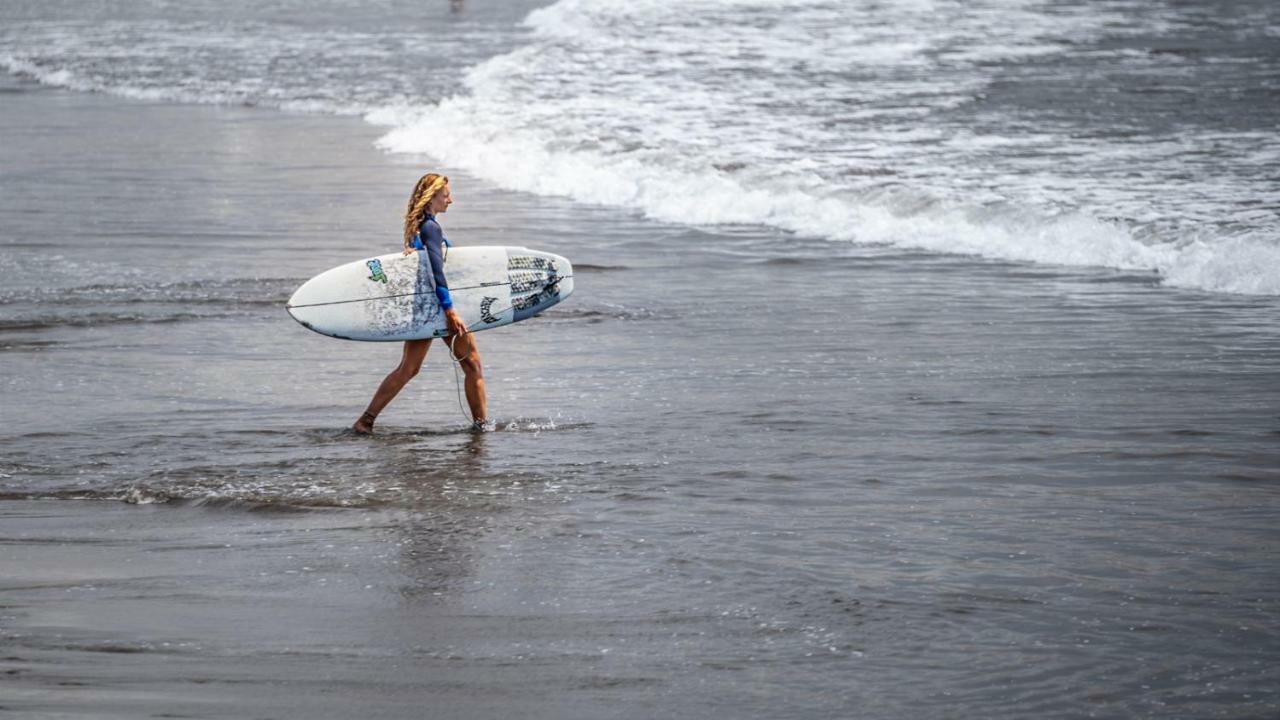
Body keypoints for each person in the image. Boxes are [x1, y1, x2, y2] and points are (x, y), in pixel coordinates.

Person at [353, 173, 488, 434]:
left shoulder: (418, 228)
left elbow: (418, 268)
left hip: (424, 308)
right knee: (473, 365)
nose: (451, 199)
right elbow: (436, 270)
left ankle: (366, 421)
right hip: (439, 307)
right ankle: (482, 429)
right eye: (446, 194)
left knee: (408, 369)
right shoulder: (431, 228)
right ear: (432, 197)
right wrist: (449, 309)